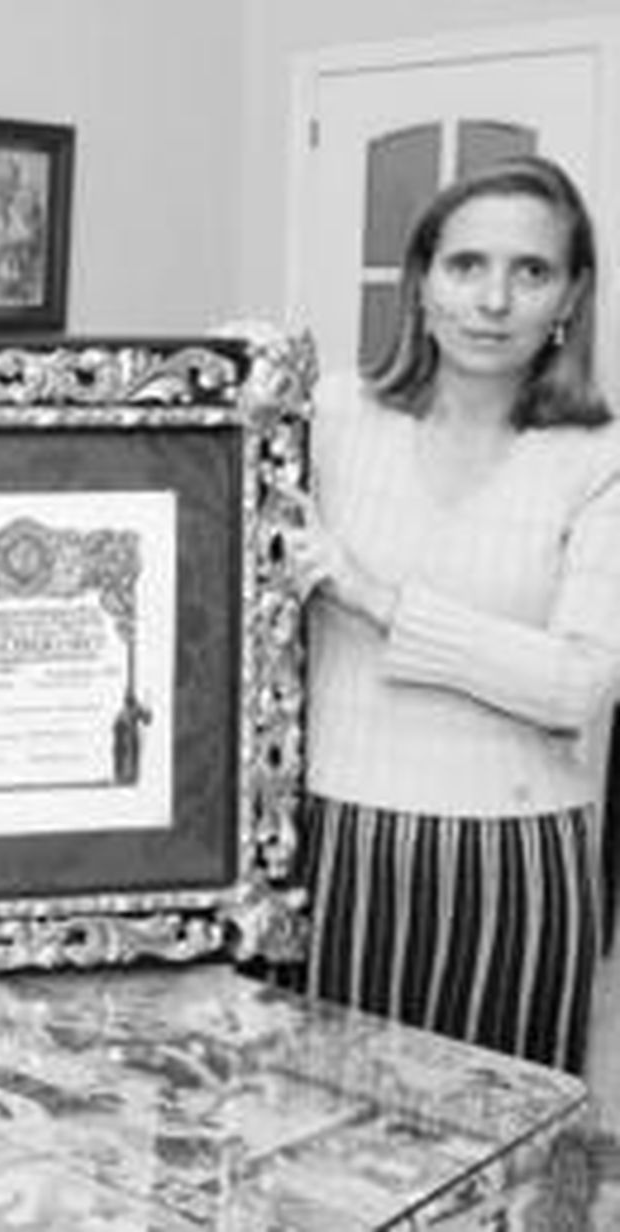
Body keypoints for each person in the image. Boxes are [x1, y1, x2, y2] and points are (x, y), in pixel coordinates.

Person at [283, 154, 620, 1073]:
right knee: (322, 1127)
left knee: (499, 1140)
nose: (493, 301)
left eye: (532, 271)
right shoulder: (330, 416)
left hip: (518, 864)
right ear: (422, 281)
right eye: (467, 265)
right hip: (336, 839)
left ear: (571, 297)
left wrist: (374, 599)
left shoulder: (597, 459)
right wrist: (220, 376)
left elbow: (577, 686)